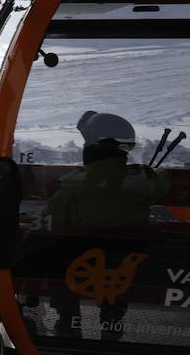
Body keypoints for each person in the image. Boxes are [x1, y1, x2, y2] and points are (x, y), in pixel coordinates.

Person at [37, 111, 169, 339]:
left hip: (80, 267)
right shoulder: (145, 181)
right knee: (118, 267)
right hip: (125, 268)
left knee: (58, 262)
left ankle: (69, 322)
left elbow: (50, 220)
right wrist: (148, 172)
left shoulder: (73, 185)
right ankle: (112, 324)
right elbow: (163, 181)